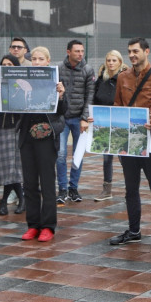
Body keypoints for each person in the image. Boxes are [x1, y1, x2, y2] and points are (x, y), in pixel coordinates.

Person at [102, 38, 151, 249]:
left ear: (146, 51)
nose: (132, 55)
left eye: (135, 51)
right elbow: (117, 106)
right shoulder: (122, 76)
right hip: (129, 142)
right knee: (130, 189)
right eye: (130, 52)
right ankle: (134, 231)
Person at [12, 47, 67, 242]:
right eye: (33, 58)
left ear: (48, 61)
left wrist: (61, 95)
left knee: (46, 182)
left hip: (45, 136)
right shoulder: (21, 79)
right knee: (29, 183)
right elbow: (11, 106)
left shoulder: (55, 80)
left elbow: (62, 111)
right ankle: (33, 225)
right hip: (26, 136)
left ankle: (48, 226)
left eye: (40, 59)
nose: (36, 62)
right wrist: (1, 92)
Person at [57, 39, 96, 205]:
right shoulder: (58, 68)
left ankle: (73, 187)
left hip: (79, 119)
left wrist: (85, 118)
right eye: (77, 51)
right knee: (60, 154)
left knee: (78, 154)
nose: (80, 54)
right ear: (68, 52)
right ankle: (62, 189)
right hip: (62, 118)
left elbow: (90, 96)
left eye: (82, 51)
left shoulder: (88, 70)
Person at [91, 50, 128, 201]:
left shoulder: (125, 79)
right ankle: (107, 190)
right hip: (104, 122)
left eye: (114, 60)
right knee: (107, 157)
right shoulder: (101, 79)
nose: (111, 63)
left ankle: (130, 188)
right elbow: (94, 98)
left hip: (120, 122)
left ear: (120, 62)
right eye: (108, 60)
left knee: (124, 157)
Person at [0, 54, 25, 216]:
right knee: (6, 166)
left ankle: (4, 200)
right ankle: (20, 197)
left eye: (10, 64)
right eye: (3, 64)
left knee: (15, 166)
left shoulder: (20, 84)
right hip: (1, 127)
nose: (6, 67)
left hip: (16, 127)